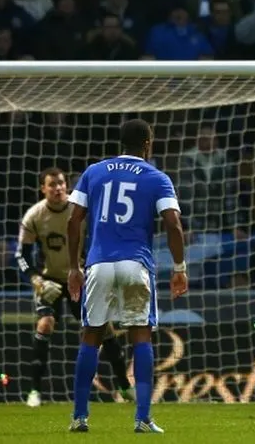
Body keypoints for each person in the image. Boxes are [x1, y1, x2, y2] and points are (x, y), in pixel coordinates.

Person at [65, 120, 188, 433]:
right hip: (136, 263)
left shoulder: (93, 172)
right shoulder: (157, 177)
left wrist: (73, 267)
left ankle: (80, 417)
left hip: (98, 263)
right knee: (141, 336)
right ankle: (142, 418)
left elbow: (74, 219)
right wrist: (179, 268)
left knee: (91, 336)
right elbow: (173, 225)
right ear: (147, 143)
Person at [17, 168, 131, 408]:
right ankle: (34, 391)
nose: (58, 188)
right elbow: (22, 256)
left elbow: (98, 240)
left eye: (61, 183)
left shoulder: (80, 209)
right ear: (43, 189)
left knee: (105, 329)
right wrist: (37, 280)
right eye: (52, 185)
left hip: (80, 276)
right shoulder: (34, 216)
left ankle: (124, 385)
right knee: (45, 324)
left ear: (66, 185)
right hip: (51, 281)